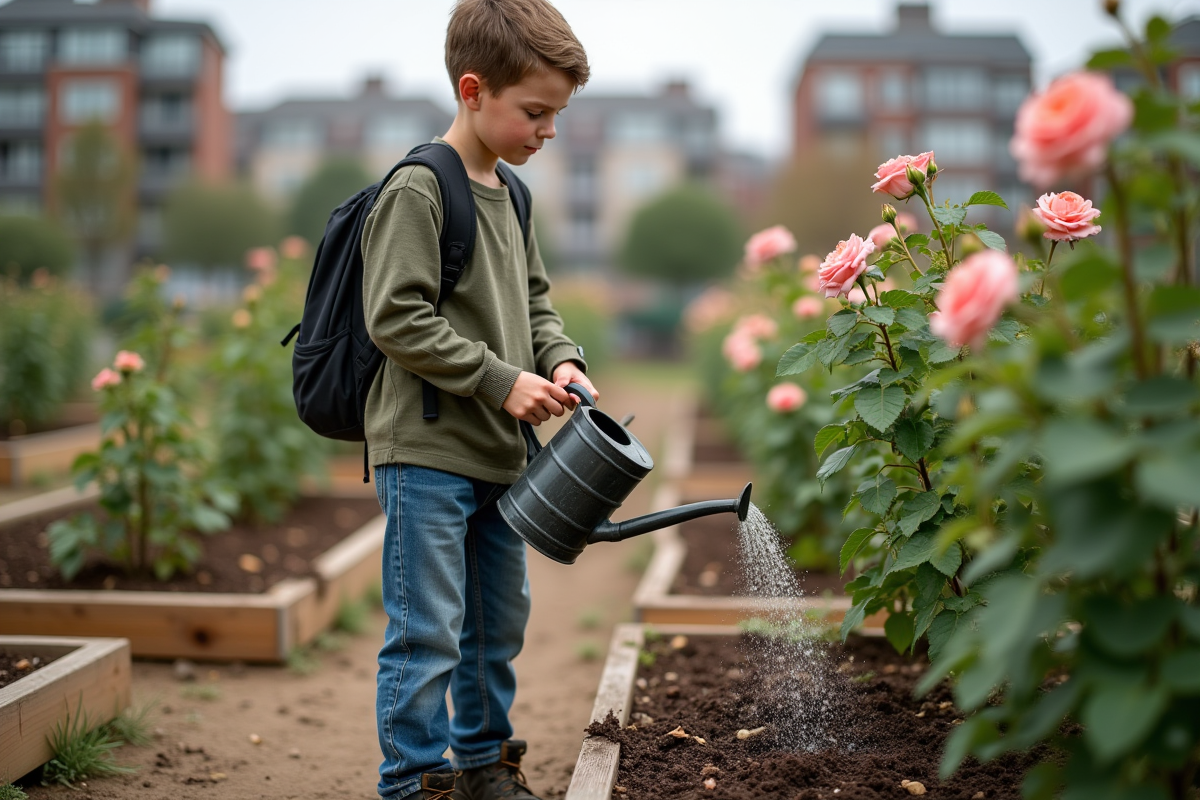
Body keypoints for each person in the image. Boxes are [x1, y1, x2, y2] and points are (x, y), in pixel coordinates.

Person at [360, 1, 595, 798]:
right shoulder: (419, 189)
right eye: (535, 111)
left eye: (557, 114)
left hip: (500, 457)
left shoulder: (513, 195)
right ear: (473, 90)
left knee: (495, 627)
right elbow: (395, 316)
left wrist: (560, 359)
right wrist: (502, 381)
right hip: (426, 452)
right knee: (427, 633)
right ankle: (414, 783)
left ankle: (484, 766)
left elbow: (535, 303)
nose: (548, 130)